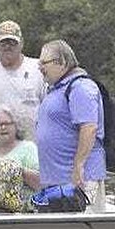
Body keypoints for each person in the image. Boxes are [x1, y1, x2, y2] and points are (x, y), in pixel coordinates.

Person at [34, 39, 107, 212]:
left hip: (80, 179)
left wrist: (78, 166)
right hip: (56, 182)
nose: (39, 67)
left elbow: (89, 128)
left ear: (62, 63)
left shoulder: (80, 87)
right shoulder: (55, 89)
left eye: (44, 62)